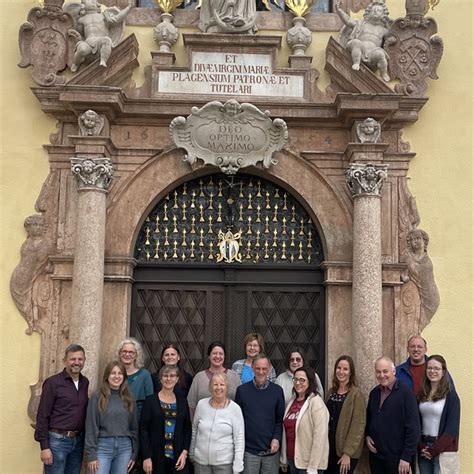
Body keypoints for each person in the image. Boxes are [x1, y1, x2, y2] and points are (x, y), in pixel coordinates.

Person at [34, 344, 89, 473]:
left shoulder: (85, 382)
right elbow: (42, 415)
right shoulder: (53, 383)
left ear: (84, 360)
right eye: (73, 359)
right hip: (57, 442)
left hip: (78, 442)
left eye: (80, 359)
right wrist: (44, 447)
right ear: (65, 361)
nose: (77, 362)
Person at [366, 357, 420, 474]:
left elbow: (414, 428)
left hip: (397, 459)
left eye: (385, 371)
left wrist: (406, 457)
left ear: (394, 371)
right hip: (376, 457)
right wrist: (367, 436)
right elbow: (369, 419)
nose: (382, 375)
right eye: (378, 372)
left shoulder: (406, 394)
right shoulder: (374, 393)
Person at [85, 361, 138, 473]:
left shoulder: (129, 398)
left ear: (124, 377)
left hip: (125, 447)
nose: (116, 376)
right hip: (102, 446)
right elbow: (91, 426)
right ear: (107, 376)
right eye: (113, 373)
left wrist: (134, 452)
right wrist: (92, 454)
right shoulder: (97, 397)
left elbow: (134, 427)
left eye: (120, 373)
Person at [235, 354, 285, 474]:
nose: (261, 372)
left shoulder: (277, 391)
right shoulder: (242, 391)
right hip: (249, 452)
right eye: (258, 368)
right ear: (252, 368)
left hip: (271, 452)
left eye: (264, 369)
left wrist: (276, 438)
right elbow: (238, 421)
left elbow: (279, 420)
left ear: (269, 369)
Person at [140, 364, 192, 474]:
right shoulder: (150, 401)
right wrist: (146, 456)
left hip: (178, 457)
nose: (168, 379)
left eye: (172, 376)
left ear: (177, 379)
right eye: (165, 376)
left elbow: (187, 428)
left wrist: (184, 453)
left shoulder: (182, 402)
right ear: (160, 379)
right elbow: (143, 430)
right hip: (155, 457)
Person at [190, 373, 245, 474]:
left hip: (224, 464)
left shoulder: (235, 409)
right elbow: (194, 429)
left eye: (222, 384)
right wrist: (192, 453)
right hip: (201, 462)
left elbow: (239, 439)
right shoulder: (201, 405)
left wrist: (238, 465)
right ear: (210, 387)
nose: (218, 388)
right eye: (215, 384)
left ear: (227, 387)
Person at [281, 366, 329, 474]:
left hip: (308, 464)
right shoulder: (292, 402)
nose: (298, 383)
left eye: (302, 380)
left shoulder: (316, 402)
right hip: (293, 460)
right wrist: (284, 459)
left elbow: (320, 436)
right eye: (295, 379)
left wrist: (313, 466)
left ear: (310, 382)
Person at [418, 355, 460, 474]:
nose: (432, 371)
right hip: (424, 449)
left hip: (443, 451)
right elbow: (416, 423)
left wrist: (435, 449)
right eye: (429, 368)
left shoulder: (451, 396)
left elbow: (452, 429)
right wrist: (421, 446)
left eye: (436, 368)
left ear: (443, 372)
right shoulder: (421, 395)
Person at [325, 356, 365, 474]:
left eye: (345, 369)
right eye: (339, 368)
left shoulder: (356, 394)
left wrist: (347, 453)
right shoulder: (331, 392)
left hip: (345, 452)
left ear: (350, 372)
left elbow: (358, 426)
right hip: (329, 448)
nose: (341, 372)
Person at [335, 0, 391, 81]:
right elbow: (348, 21)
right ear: (369, 12)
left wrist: (388, 23)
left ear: (383, 15)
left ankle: (384, 73)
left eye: (379, 10)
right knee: (357, 43)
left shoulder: (384, 30)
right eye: (373, 10)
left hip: (372, 53)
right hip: (360, 49)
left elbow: (394, 36)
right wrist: (339, 11)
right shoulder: (361, 24)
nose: (375, 11)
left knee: (381, 54)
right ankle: (356, 62)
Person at [187, 341, 241, 419]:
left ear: (224, 356)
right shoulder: (199, 378)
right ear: (209, 356)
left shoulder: (234, 377)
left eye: (221, 354)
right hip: (204, 423)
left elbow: (241, 403)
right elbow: (191, 406)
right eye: (214, 353)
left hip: (229, 423)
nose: (218, 356)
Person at [118, 338, 153, 420]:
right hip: (116, 419)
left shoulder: (144, 375)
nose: (127, 354)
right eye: (124, 351)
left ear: (137, 355)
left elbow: (150, 401)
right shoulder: (114, 374)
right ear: (119, 353)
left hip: (138, 419)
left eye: (131, 352)